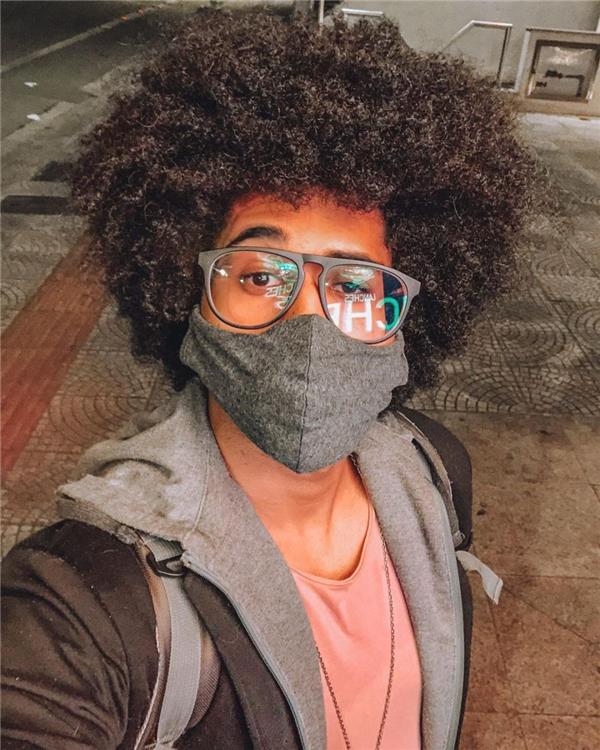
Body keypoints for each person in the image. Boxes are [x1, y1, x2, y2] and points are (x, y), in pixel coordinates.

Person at [1, 7, 539, 749]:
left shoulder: (434, 470)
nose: (308, 321)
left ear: (404, 316)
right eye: (259, 274)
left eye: (354, 284)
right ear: (186, 292)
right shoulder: (87, 596)